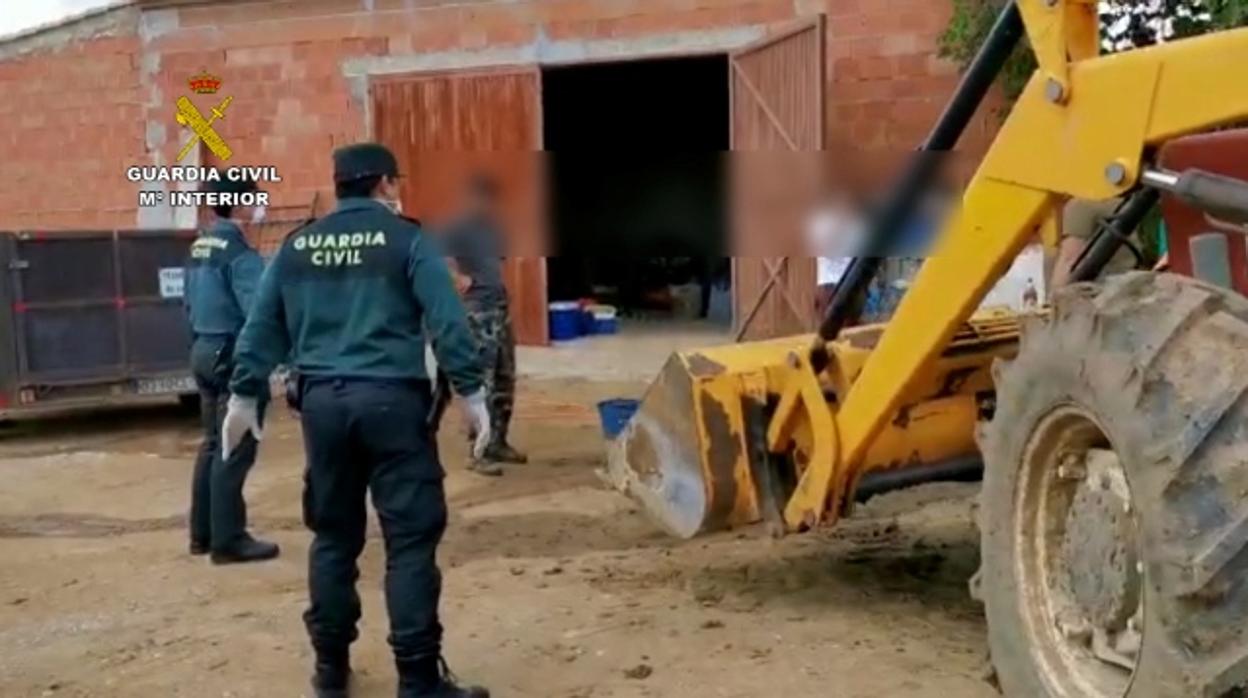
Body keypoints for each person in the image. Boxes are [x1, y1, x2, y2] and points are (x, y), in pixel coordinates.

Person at [221, 143, 492, 698]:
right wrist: (471, 392)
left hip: (322, 406)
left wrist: (244, 397)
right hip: (393, 404)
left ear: (340, 185)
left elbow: (261, 327)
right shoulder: (409, 240)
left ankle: (330, 671)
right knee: (411, 541)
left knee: (334, 538)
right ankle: (418, 679)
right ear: (386, 185)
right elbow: (447, 320)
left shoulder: (297, 246)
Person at [183, 174, 279, 565]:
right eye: (255, 199)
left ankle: (201, 534)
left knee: (210, 444)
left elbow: (187, 305)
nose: (259, 207)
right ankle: (229, 539)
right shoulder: (241, 254)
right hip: (232, 353)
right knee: (234, 446)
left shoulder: (198, 247)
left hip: (203, 349)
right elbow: (258, 314)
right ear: (238, 204)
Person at [432, 174, 526, 476]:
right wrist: (457, 277)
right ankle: (478, 450)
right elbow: (436, 256)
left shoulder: (494, 228)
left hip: (499, 310)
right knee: (480, 382)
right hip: (476, 312)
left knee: (504, 378)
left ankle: (498, 441)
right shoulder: (455, 226)